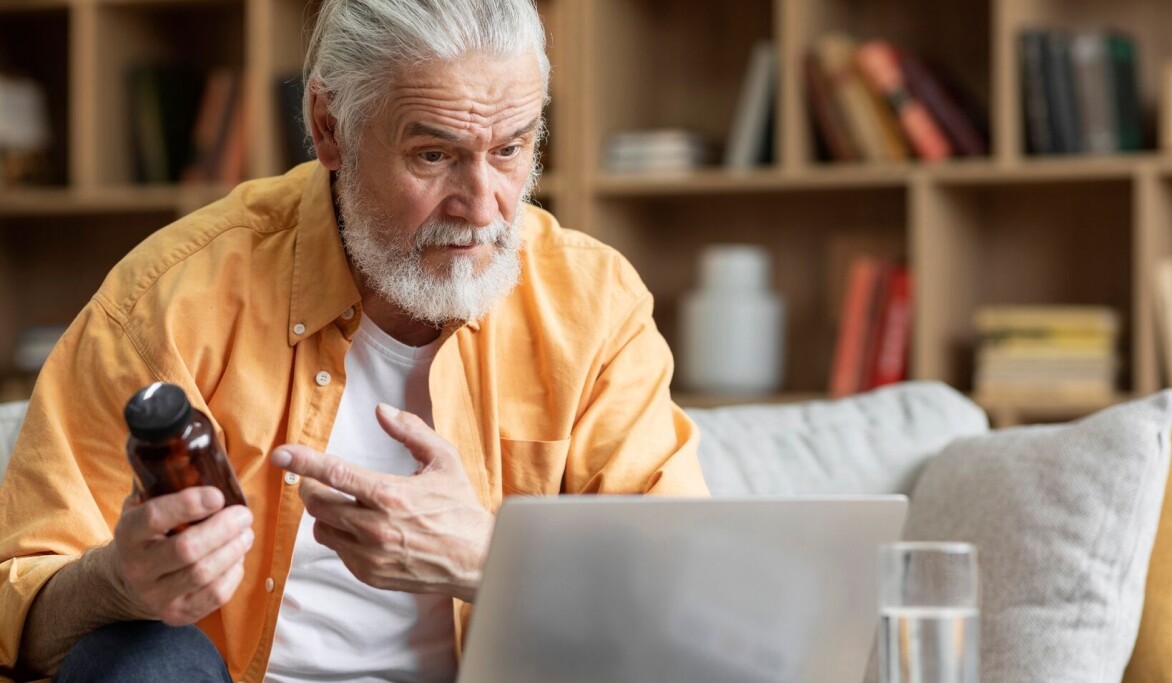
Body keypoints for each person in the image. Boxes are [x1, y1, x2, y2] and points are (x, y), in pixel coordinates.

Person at [0, 0, 709, 680]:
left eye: (510, 149)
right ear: (328, 125)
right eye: (434, 154)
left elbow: (689, 600)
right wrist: (116, 583)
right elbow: (17, 600)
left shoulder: (592, 304)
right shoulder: (170, 299)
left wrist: (490, 559)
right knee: (141, 659)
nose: (483, 206)